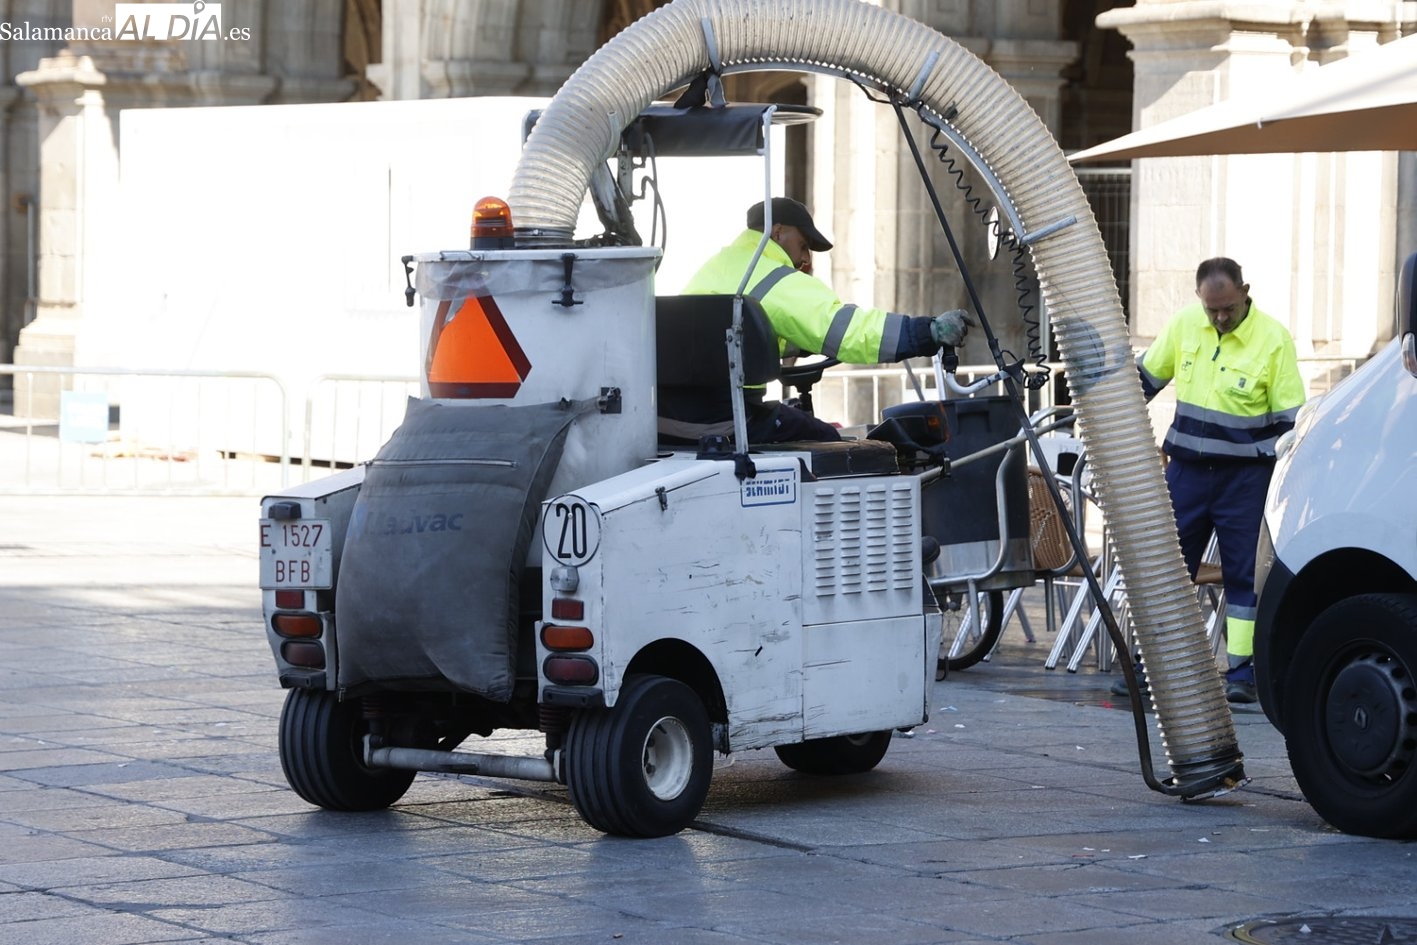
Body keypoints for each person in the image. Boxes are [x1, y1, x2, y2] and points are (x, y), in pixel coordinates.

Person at [1113, 257, 1305, 705]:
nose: (1220, 318)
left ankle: (1242, 671)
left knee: (1243, 575)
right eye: (1211, 309)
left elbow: (1290, 424)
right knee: (1167, 570)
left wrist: (1269, 469)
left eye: (1228, 309)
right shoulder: (1185, 325)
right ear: (1199, 299)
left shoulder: (1273, 339)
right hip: (1187, 473)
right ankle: (1152, 666)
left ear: (1245, 293)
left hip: (1245, 479)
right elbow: (1142, 382)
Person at [669, 197, 972, 443]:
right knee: (830, 441)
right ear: (777, 233)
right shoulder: (772, 278)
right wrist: (927, 331)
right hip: (727, 420)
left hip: (675, 418)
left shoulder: (718, 267)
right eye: (803, 246)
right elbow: (846, 331)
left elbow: (739, 338)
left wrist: (800, 345)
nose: (805, 260)